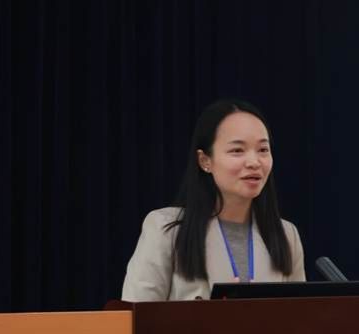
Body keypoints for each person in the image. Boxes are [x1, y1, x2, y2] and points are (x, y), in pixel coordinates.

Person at [122, 99, 305, 301]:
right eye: (237, 150)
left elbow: (301, 317)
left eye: (263, 150)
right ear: (205, 160)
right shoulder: (167, 229)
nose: (254, 162)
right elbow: (135, 315)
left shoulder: (287, 235)